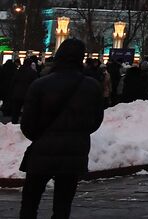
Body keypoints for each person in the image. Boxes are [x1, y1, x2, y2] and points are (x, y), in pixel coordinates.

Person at [18, 39, 105, 219]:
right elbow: (96, 121)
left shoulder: (40, 84)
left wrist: (41, 137)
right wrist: (78, 133)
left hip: (42, 151)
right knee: (63, 205)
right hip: (74, 152)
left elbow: (27, 123)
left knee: (30, 202)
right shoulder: (91, 86)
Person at [5, 57, 39, 122]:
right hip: (27, 94)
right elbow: (35, 83)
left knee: (15, 111)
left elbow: (13, 82)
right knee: (26, 111)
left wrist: (11, 91)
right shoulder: (32, 72)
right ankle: (23, 124)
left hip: (16, 93)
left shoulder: (18, 71)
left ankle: (14, 124)